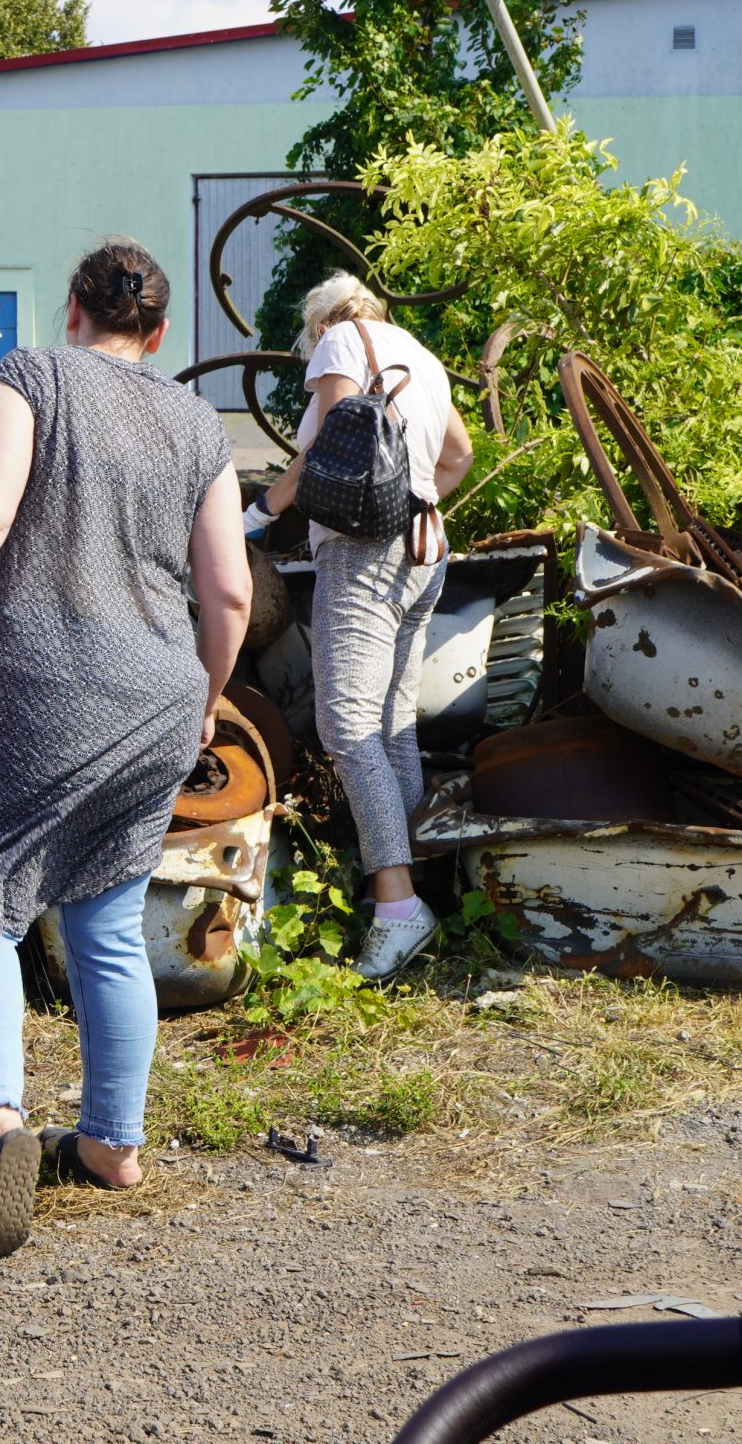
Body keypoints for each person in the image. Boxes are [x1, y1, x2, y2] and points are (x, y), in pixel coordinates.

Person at [0, 237, 253, 1259]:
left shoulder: (33, 374)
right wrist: (206, 694)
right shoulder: (195, 422)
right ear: (158, 332)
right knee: (103, 919)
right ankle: (111, 1146)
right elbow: (228, 590)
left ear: (70, 311)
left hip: (27, 681)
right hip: (154, 694)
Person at [243, 273, 473, 980]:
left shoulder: (341, 339)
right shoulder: (422, 357)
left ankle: (397, 909)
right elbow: (459, 456)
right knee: (392, 720)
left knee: (346, 727)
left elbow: (331, 445)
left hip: (364, 551)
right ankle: (421, 893)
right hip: (424, 551)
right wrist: (414, 496)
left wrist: (258, 515)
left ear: (319, 326)